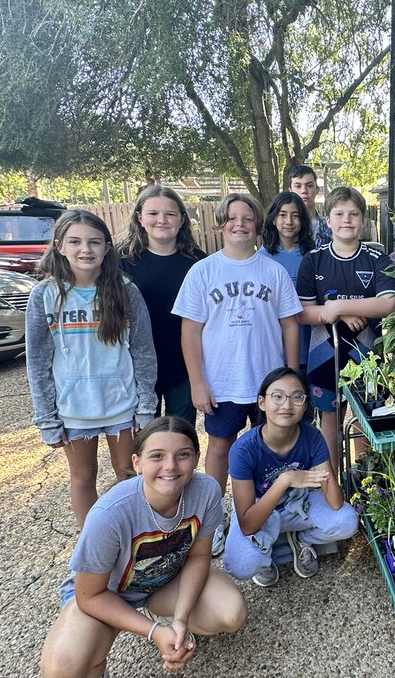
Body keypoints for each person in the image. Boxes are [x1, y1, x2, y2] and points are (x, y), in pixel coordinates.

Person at [39, 416, 247, 678]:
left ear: (196, 458)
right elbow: (89, 595)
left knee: (230, 612)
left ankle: (161, 614)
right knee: (61, 671)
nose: (170, 466)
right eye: (157, 456)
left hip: (162, 582)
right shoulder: (110, 513)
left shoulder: (207, 491)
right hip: (107, 595)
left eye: (183, 454)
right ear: (136, 463)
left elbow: (199, 556)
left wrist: (179, 620)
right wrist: (153, 633)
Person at [173, 193, 302, 556]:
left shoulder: (273, 271)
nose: (240, 224)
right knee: (219, 448)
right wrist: (198, 382)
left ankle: (271, 514)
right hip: (222, 382)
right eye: (231, 218)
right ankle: (213, 520)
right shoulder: (203, 271)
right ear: (220, 224)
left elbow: (290, 326)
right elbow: (190, 332)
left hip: (269, 382)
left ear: (259, 226)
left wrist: (292, 377)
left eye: (247, 218)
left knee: (272, 448)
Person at [26, 209, 157, 529]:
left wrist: (146, 406)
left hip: (121, 404)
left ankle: (136, 535)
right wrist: (46, 418)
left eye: (94, 242)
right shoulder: (44, 295)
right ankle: (93, 541)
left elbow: (143, 352)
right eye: (75, 242)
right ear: (59, 246)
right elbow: (38, 362)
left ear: (107, 247)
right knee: (83, 477)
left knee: (129, 473)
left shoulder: (126, 290)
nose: (85, 249)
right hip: (73, 408)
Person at [223, 367, 358, 586]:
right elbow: (248, 525)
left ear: (305, 405)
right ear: (262, 403)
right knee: (241, 565)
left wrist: (325, 474)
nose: (287, 405)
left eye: (296, 397)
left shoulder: (312, 437)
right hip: (259, 509)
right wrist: (285, 479)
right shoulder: (243, 449)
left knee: (347, 521)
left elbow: (335, 503)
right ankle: (266, 555)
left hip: (298, 504)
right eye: (277, 396)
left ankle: (300, 539)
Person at [296, 186, 395, 466]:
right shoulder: (313, 260)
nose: (346, 220)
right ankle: (333, 481)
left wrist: (338, 307)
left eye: (353, 214)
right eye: (339, 214)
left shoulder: (378, 258)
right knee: (330, 420)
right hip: (323, 354)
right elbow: (303, 313)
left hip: (367, 354)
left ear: (363, 220)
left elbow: (388, 303)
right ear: (328, 220)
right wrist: (339, 316)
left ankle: (363, 479)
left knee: (363, 418)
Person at [118, 186, 207, 426]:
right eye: (153, 213)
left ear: (182, 219)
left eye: (170, 214)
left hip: (184, 365)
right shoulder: (120, 262)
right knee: (145, 436)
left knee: (181, 433)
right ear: (139, 218)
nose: (162, 220)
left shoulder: (199, 262)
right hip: (137, 366)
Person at [260, 190, 315, 371]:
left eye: (295, 216)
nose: (289, 221)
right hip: (274, 349)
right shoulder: (261, 258)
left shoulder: (313, 256)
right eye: (282, 215)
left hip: (309, 343)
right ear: (273, 219)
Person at [288, 163, 332, 248]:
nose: (304, 191)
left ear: (317, 189)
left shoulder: (330, 227)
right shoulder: (284, 227)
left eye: (309, 185)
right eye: (298, 186)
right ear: (290, 191)